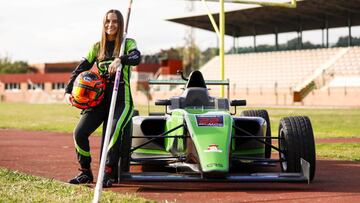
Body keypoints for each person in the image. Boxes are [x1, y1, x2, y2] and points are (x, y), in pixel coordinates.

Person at [64, 9, 141, 187]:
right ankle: (85, 172)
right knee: (79, 133)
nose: (110, 25)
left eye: (115, 21)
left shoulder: (127, 43)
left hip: (122, 100)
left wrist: (120, 59)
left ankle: (107, 173)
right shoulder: (97, 47)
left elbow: (137, 57)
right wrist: (68, 90)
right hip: (99, 100)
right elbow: (81, 68)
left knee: (112, 133)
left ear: (120, 24)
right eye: (107, 21)